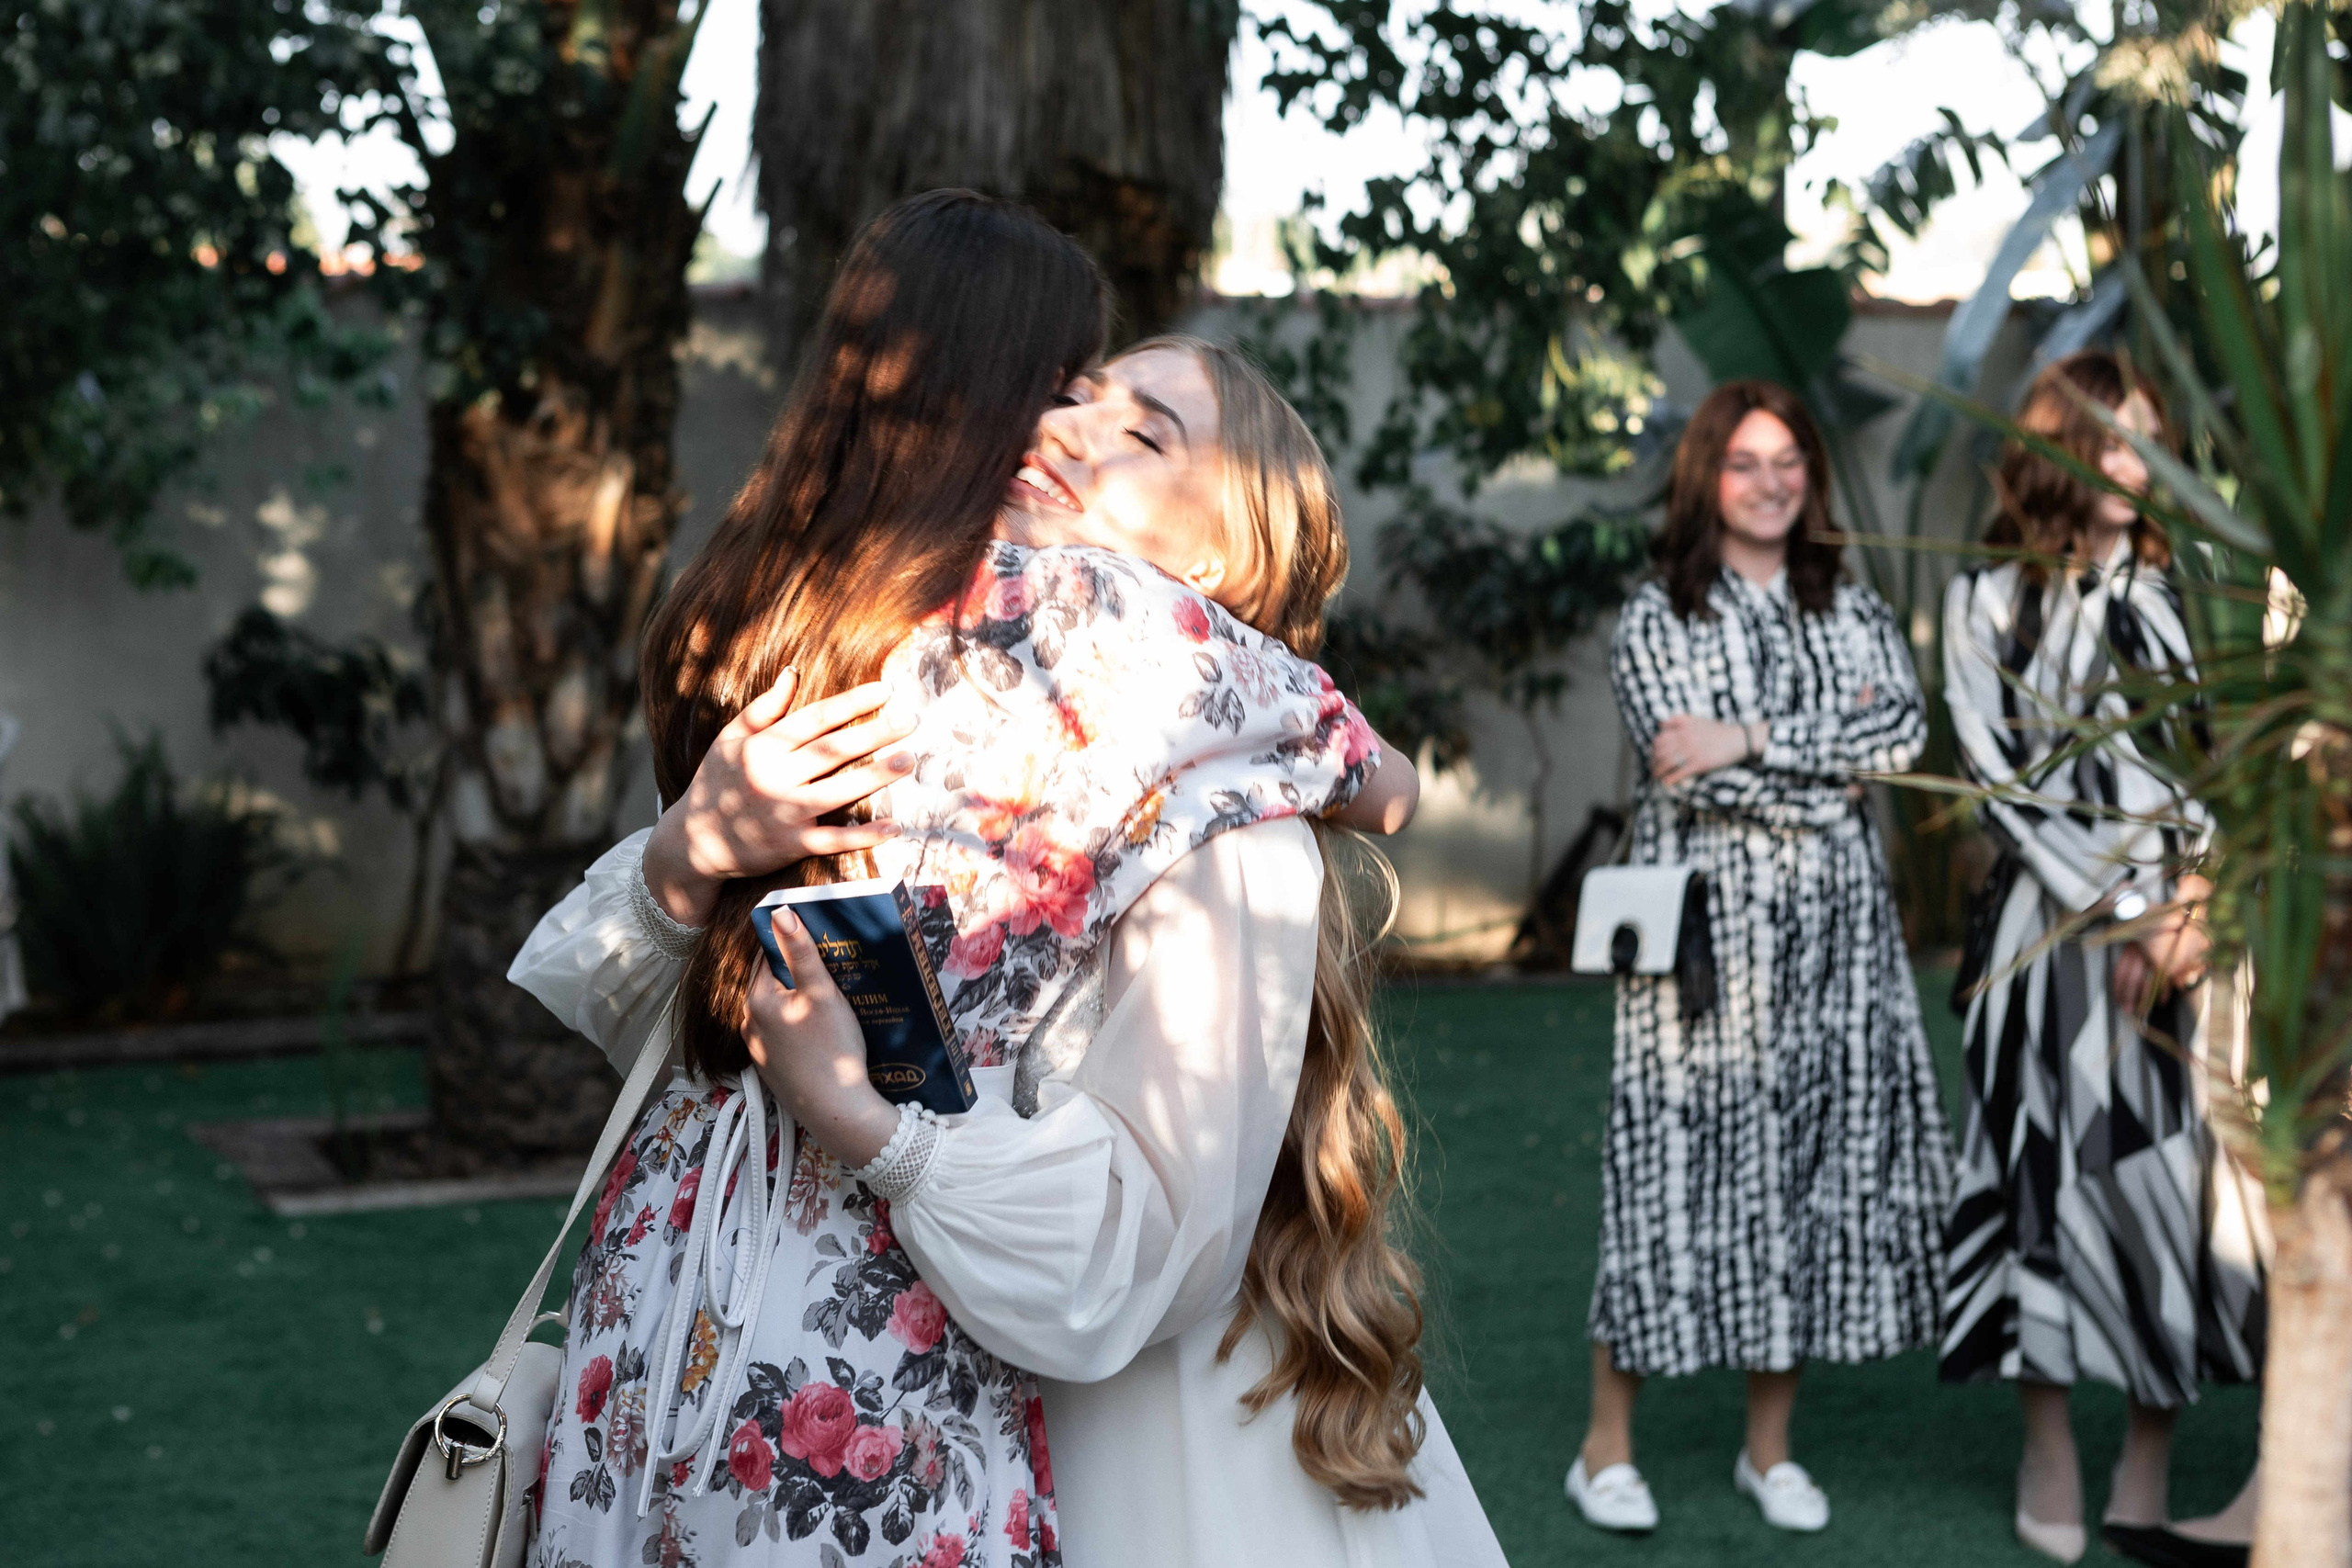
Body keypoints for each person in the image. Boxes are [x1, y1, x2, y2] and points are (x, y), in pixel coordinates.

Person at [514, 189, 1500, 1568]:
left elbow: (1127, 1253)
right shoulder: (884, 659)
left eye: (1145, 432)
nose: (1069, 436)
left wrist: (874, 1123)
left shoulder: (1224, 799)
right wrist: (693, 849)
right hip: (678, 1343)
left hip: (1016, 1406)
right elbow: (689, 1042)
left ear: (1224, 557)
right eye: (1068, 398)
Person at [1571, 379, 1955, 1536]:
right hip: (1698, 944)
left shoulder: (1848, 604)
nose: (1771, 480)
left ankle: (1768, 1452)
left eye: (1788, 459)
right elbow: (1684, 770)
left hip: (1838, 947)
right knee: (1663, 1171)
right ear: (1706, 477)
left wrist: (1751, 736)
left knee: (1805, 1170)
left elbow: (1897, 736)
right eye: (1745, 462)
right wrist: (1809, 777)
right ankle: (1604, 1450)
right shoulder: (1656, 614)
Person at [1938, 349, 2266, 1566]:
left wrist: (2189, 905)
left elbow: (2238, 762)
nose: (2129, 461)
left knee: (2167, 1189)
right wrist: (2126, 907)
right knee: (2038, 1177)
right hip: (2046, 941)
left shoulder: (2202, 589)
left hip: (2191, 940)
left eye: (2144, 439)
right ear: (2053, 445)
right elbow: (1996, 778)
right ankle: (2048, 1443)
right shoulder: (1985, 593)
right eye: (2107, 438)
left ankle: (2147, 1457)